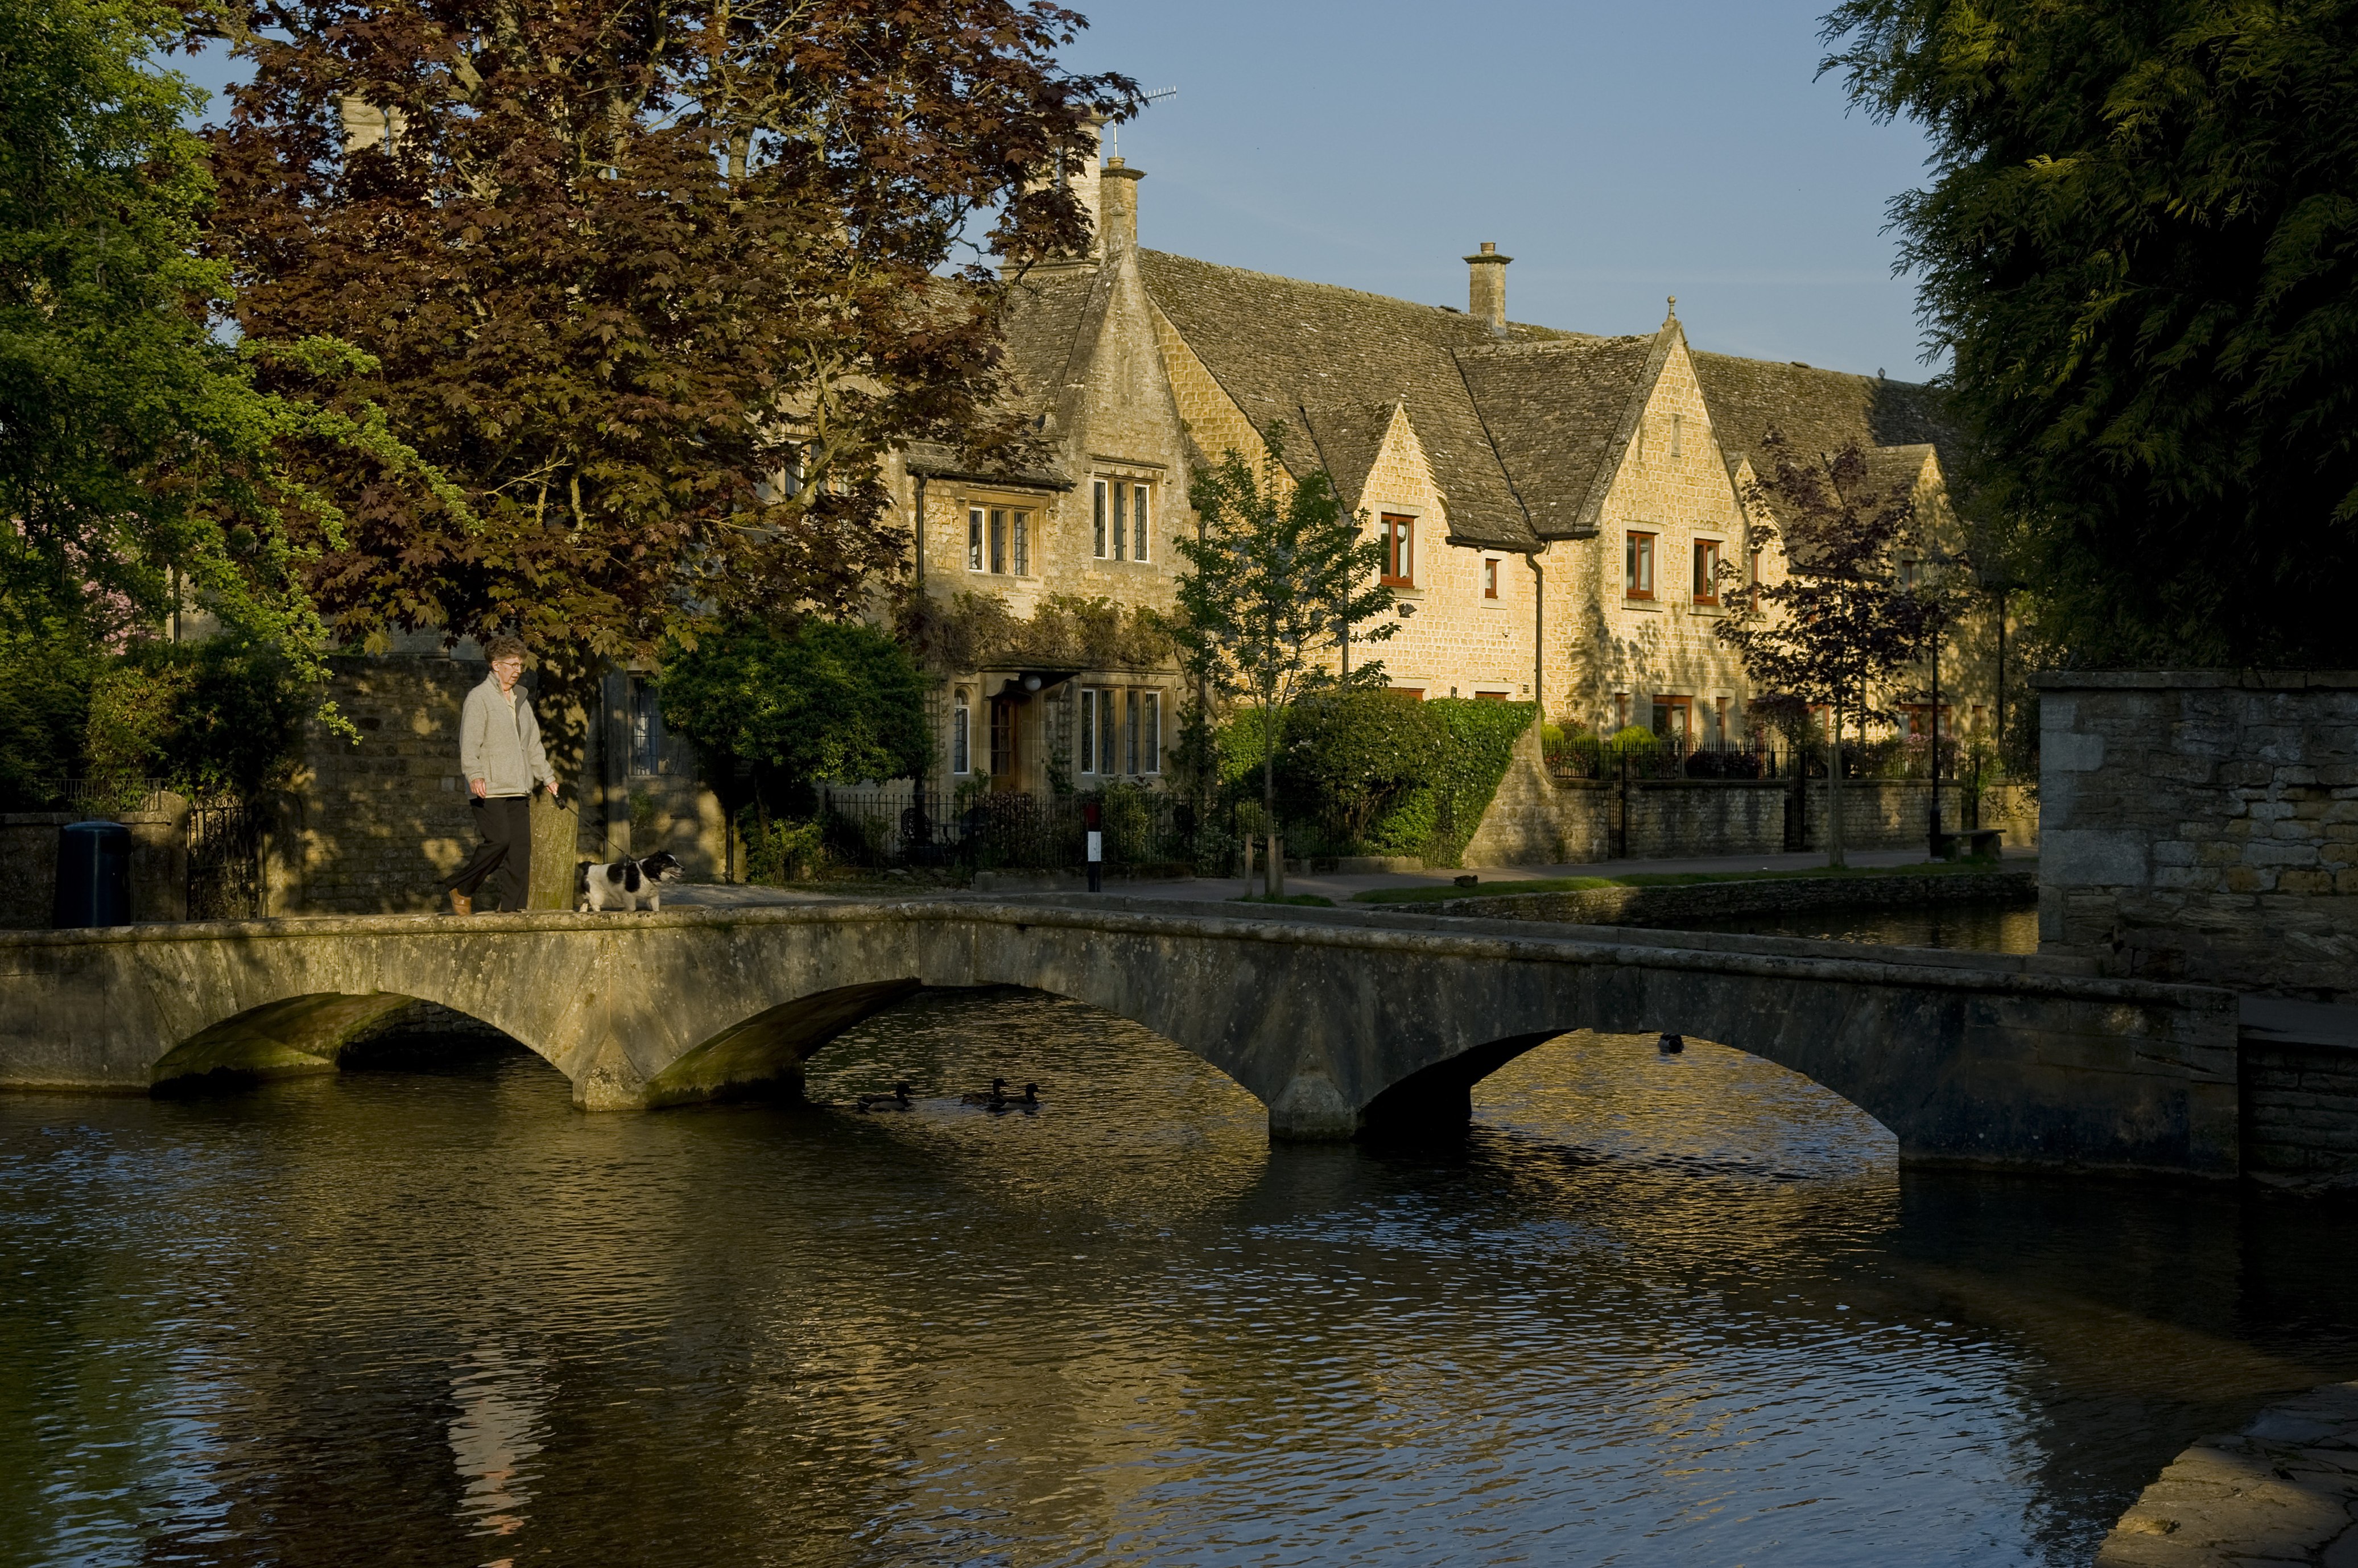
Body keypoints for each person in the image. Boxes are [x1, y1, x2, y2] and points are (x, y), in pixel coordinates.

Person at [440, 636, 559, 915]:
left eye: (521, 664)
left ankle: (512, 909)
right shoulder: (479, 698)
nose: (518, 669)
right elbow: (469, 743)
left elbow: (533, 745)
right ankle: (462, 887)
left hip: (519, 787)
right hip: (489, 787)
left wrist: (548, 778)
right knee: (500, 841)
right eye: (513, 664)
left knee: (520, 851)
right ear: (496, 666)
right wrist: (475, 774)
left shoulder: (521, 700)